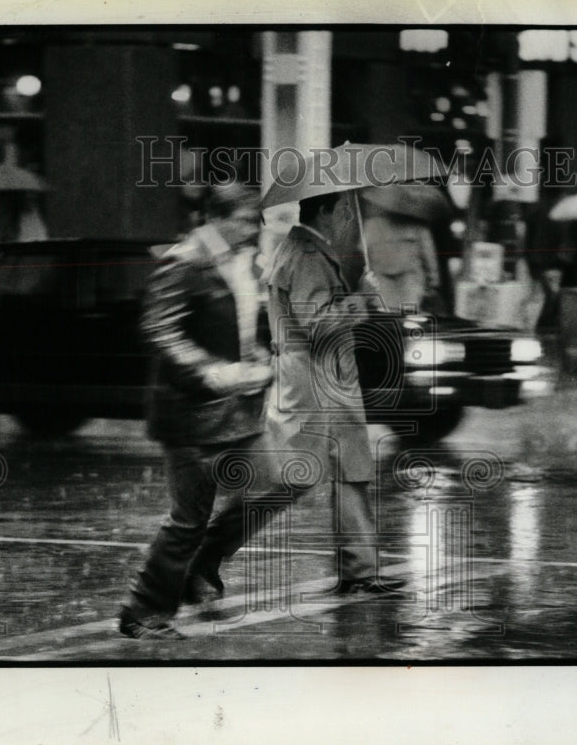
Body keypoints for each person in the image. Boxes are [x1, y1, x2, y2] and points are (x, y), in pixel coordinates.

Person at [188, 188, 405, 599]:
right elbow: (318, 324)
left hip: (328, 378)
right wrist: (360, 300)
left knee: (351, 470)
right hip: (309, 382)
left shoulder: (314, 251)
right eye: (343, 208)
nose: (347, 216)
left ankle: (361, 570)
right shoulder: (305, 254)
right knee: (290, 479)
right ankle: (207, 551)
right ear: (329, 210)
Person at [118, 183, 272, 639]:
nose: (253, 229)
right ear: (217, 219)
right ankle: (143, 612)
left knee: (286, 479)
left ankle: (202, 562)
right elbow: (159, 330)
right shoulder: (185, 260)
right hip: (190, 413)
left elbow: (246, 327)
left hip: (238, 409)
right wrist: (211, 371)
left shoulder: (243, 263)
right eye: (246, 220)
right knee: (188, 518)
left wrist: (260, 354)